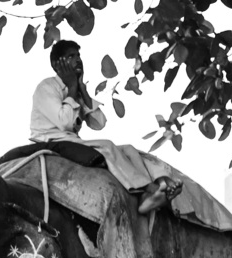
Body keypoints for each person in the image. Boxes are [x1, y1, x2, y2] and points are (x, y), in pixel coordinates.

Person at [21, 40, 182, 214]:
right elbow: (65, 122)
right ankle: (148, 191)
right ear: (56, 64)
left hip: (69, 140)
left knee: (128, 149)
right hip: (51, 140)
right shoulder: (47, 87)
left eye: (78, 56)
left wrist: (82, 90)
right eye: (71, 57)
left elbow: (99, 123)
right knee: (107, 145)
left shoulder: (74, 88)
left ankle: (160, 183)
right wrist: (73, 88)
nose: (78, 60)